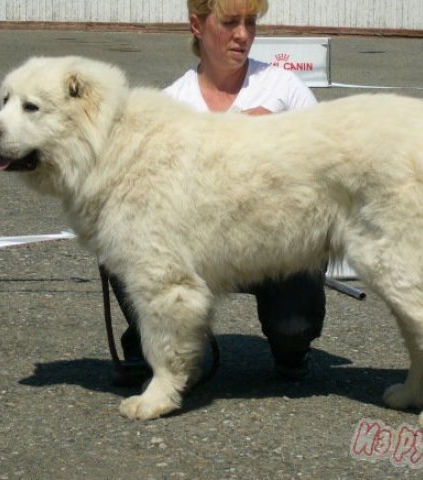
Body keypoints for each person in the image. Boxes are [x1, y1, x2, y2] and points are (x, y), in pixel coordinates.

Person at [107, 0, 327, 385]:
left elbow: (328, 165)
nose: (243, 35)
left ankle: (293, 350)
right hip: (201, 249)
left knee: (293, 329)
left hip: (274, 244)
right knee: (124, 241)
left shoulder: (284, 87)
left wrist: (280, 134)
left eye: (250, 23)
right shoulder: (172, 103)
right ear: (197, 25)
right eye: (229, 23)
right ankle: (152, 342)